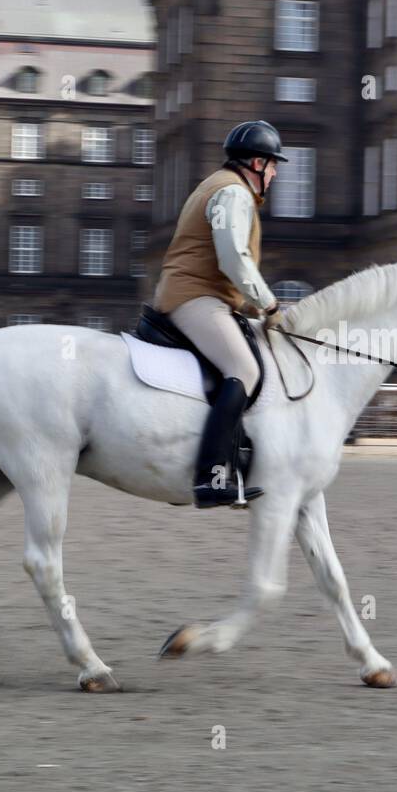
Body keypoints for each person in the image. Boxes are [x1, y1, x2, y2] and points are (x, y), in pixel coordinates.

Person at [146, 120, 287, 508]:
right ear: (257, 163)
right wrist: (268, 302)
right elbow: (233, 258)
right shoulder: (232, 193)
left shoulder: (217, 184)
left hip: (200, 296)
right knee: (245, 369)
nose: (274, 174)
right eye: (273, 165)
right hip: (196, 297)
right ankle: (212, 475)